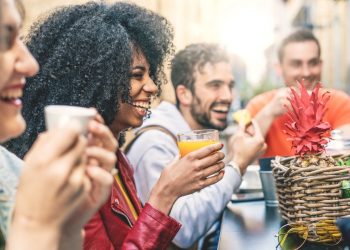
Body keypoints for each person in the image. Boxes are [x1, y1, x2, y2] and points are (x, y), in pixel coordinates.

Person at [5, 2, 227, 249]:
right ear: (97, 81)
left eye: (151, 75)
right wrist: (164, 195)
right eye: (137, 75)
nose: (153, 87)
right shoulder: (73, 173)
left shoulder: (115, 159)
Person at [126, 43, 266, 248]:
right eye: (215, 85)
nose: (227, 96)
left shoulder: (195, 136)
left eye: (230, 85)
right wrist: (238, 164)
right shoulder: (155, 143)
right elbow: (182, 231)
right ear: (184, 94)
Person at [0, 0, 116, 249]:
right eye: (4, 39)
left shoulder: (15, 174)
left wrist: (68, 226)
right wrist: (35, 226)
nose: (31, 65)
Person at [246, 29, 350, 157]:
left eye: (313, 63)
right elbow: (237, 154)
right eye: (296, 64)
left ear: (321, 64)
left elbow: (345, 151)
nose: (306, 72)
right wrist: (269, 113)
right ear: (279, 68)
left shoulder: (340, 102)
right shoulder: (259, 105)